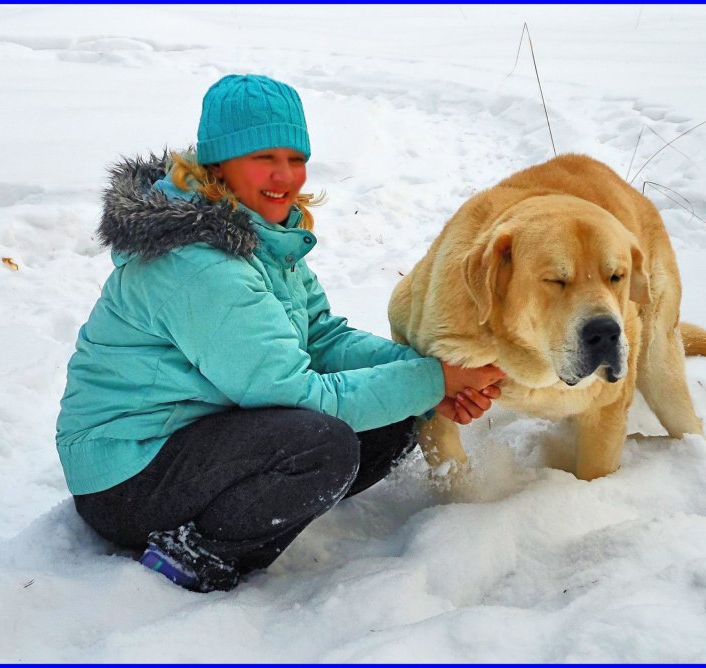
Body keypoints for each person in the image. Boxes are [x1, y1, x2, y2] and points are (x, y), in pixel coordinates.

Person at [56, 73, 504, 593]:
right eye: (262, 157)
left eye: (295, 157)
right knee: (320, 445)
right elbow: (293, 391)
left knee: (393, 417)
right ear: (218, 164)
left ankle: (252, 509)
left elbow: (324, 339)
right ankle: (196, 556)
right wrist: (432, 381)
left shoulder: (265, 235)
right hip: (127, 472)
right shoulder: (199, 266)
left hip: (200, 430)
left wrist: (426, 380)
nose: (285, 175)